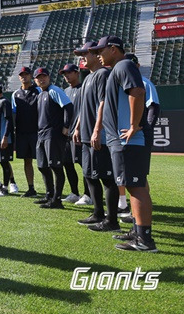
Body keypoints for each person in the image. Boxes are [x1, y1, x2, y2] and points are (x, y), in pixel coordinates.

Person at [89, 36, 156, 252]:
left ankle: (144, 240)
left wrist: (134, 124)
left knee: (136, 187)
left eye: (101, 49)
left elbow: (137, 92)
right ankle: (138, 231)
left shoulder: (124, 64)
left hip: (128, 139)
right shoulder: (117, 69)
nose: (98, 53)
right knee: (135, 185)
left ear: (114, 49)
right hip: (121, 140)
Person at [72, 41, 119, 232]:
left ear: (94, 54)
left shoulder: (103, 74)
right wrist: (77, 127)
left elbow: (103, 103)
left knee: (107, 178)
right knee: (89, 175)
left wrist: (97, 130)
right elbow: (84, 108)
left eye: (85, 53)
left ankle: (112, 220)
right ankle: (98, 213)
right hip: (85, 135)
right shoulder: (88, 78)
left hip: (99, 136)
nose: (82, 57)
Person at [117, 53, 160, 220]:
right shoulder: (123, 83)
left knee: (138, 177)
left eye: (132, 64)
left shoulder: (144, 82)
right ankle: (136, 213)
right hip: (128, 134)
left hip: (139, 134)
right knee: (130, 176)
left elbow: (153, 107)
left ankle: (140, 216)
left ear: (137, 65)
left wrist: (146, 128)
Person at [33, 67, 73, 209]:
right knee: (42, 166)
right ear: (35, 80)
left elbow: (69, 107)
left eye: (44, 76)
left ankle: (57, 200)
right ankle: (49, 195)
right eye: (38, 77)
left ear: (49, 77)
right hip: (42, 134)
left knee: (55, 166)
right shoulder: (40, 94)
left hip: (53, 134)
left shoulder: (54, 90)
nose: (41, 79)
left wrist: (66, 126)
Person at [11, 67, 38, 197]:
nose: (24, 77)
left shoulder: (38, 91)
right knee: (27, 161)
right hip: (22, 133)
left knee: (46, 162)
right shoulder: (15, 94)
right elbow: (14, 114)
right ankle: (31, 188)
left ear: (31, 76)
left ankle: (52, 190)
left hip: (38, 132)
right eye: (21, 75)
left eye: (26, 74)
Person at [58, 63, 84, 204]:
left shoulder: (83, 89)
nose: (66, 75)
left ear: (77, 73)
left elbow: (85, 111)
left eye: (69, 72)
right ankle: (74, 192)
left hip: (79, 133)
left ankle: (88, 195)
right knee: (67, 163)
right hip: (66, 134)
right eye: (64, 73)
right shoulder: (65, 91)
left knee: (84, 164)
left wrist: (78, 128)